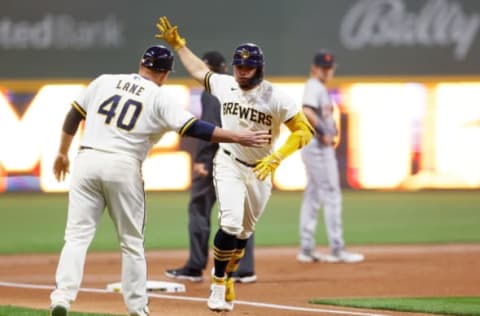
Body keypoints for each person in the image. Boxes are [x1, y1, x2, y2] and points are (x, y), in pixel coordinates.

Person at [49, 45, 270, 316]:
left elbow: (74, 115)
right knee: (131, 242)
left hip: (86, 160)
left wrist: (62, 152)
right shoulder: (159, 97)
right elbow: (195, 128)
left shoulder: (104, 81)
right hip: (123, 164)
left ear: (141, 64)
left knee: (76, 237)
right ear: (165, 73)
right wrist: (237, 137)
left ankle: (62, 298)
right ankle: (137, 308)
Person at [155, 17, 314, 312]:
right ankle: (217, 285)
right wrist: (179, 46)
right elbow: (199, 71)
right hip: (228, 162)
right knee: (229, 223)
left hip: (262, 170)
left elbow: (305, 131)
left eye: (248, 67)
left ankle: (228, 276)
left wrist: (277, 157)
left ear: (259, 68)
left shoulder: (276, 97)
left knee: (243, 232)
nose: (242, 72)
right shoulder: (225, 84)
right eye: (238, 67)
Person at [165, 51, 257, 284]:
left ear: (208, 67)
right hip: (241, 159)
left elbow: (211, 127)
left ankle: (195, 267)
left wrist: (203, 161)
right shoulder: (242, 89)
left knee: (198, 209)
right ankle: (243, 269)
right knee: (238, 213)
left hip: (216, 160)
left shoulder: (212, 90)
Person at [297, 50, 364, 264]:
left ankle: (307, 248)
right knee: (332, 194)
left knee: (314, 194)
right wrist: (324, 132)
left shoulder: (319, 88)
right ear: (314, 68)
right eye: (323, 67)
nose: (326, 71)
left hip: (314, 146)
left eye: (329, 67)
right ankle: (337, 248)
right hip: (317, 147)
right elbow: (307, 110)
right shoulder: (313, 86)